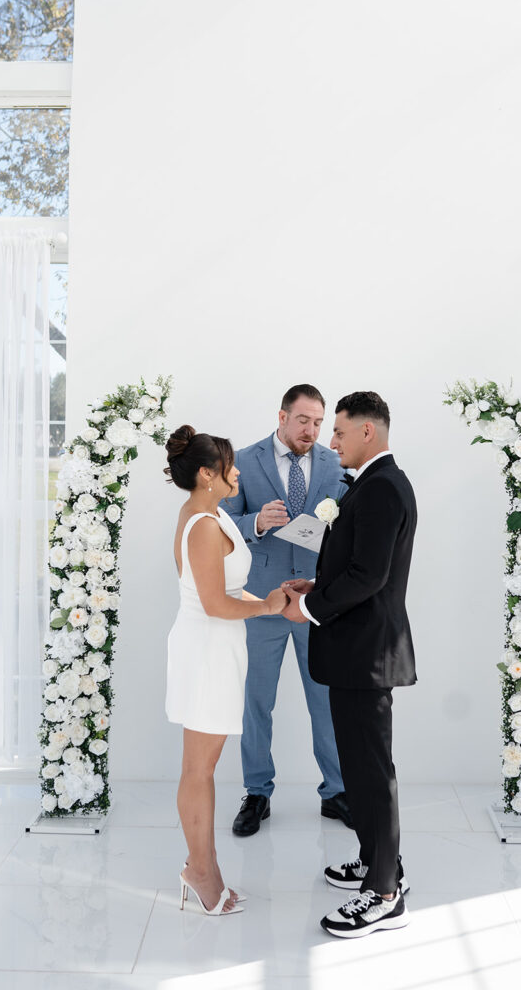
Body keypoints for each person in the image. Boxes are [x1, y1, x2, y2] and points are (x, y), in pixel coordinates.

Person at [282, 391, 417, 938]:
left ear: (368, 432)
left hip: (367, 654)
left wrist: (309, 608)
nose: (329, 441)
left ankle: (385, 894)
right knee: (360, 769)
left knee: (370, 771)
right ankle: (376, 861)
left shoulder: (383, 487)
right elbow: (356, 566)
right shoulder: (373, 484)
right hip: (354, 650)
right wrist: (318, 585)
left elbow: (371, 577)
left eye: (338, 432)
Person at [165, 425, 288, 916]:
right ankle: (200, 872)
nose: (237, 471)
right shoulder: (203, 524)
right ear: (206, 475)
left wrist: (278, 603)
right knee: (199, 770)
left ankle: (205, 870)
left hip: (219, 649)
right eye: (229, 465)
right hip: (206, 651)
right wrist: (269, 608)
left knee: (205, 769)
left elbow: (231, 595)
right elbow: (216, 604)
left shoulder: (210, 514)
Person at [221, 384, 353, 835]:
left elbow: (346, 527)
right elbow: (219, 525)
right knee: (256, 702)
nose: (312, 431)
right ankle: (257, 793)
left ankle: (336, 792)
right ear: (281, 417)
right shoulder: (244, 459)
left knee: (326, 701)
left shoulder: (336, 463)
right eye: (303, 421)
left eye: (319, 423)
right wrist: (256, 522)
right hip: (262, 602)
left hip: (317, 603)